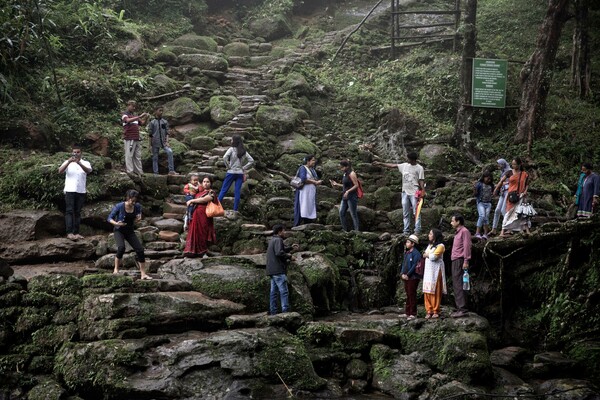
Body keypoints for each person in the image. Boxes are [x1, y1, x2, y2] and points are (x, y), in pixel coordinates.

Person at [373, 152, 425, 235]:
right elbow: (393, 166)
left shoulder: (419, 168)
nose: (407, 160)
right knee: (405, 212)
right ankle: (406, 230)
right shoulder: (404, 165)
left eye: (408, 159)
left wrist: (423, 190)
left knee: (416, 211)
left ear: (413, 160)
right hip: (404, 192)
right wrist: (380, 163)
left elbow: (421, 180)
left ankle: (417, 230)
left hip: (414, 192)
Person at [107, 189, 151, 279]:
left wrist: (139, 217)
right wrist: (116, 223)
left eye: (135, 200)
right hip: (119, 230)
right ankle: (116, 269)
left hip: (130, 231)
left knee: (140, 250)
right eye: (132, 200)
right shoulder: (119, 206)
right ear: (128, 198)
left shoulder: (137, 206)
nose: (133, 202)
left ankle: (143, 274)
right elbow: (109, 218)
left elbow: (139, 215)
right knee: (121, 247)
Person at [58, 144, 92, 241]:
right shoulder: (68, 162)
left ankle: (76, 232)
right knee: (69, 211)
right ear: (71, 153)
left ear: (81, 153)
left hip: (81, 191)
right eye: (74, 152)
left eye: (78, 152)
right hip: (70, 190)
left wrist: (79, 163)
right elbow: (60, 171)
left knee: (77, 212)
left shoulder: (85, 163)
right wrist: (69, 162)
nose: (76, 154)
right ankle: (69, 233)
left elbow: (89, 171)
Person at [266, 224, 298, 315]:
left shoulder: (273, 240)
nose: (285, 232)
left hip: (272, 270)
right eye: (283, 231)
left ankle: (273, 312)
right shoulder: (279, 240)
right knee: (283, 292)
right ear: (279, 232)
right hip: (278, 270)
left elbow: (281, 250)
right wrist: (290, 256)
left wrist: (291, 248)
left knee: (274, 293)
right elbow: (279, 253)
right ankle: (285, 312)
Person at [217, 134, 255, 213]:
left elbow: (224, 157)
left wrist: (228, 166)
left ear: (234, 141)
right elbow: (251, 160)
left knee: (224, 190)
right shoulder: (243, 151)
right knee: (237, 191)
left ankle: (216, 207)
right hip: (240, 173)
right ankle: (235, 210)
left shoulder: (231, 149)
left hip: (231, 172)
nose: (231, 141)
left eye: (232, 139)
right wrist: (243, 168)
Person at [184, 175, 217, 258]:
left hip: (205, 215)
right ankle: (192, 251)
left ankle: (203, 252)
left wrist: (192, 200)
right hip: (196, 214)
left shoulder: (211, 192)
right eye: (204, 182)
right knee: (194, 232)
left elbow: (205, 199)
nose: (205, 183)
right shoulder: (199, 192)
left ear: (211, 183)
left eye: (207, 182)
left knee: (203, 233)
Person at [500, 158, 530, 237]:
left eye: (515, 164)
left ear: (519, 164)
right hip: (512, 196)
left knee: (523, 213)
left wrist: (525, 191)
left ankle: (525, 230)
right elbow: (502, 181)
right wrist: (497, 189)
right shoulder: (509, 172)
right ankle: (502, 231)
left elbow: (527, 184)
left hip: (522, 196)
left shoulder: (524, 174)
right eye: (512, 164)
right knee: (509, 213)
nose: (513, 166)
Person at [450, 214, 471, 318]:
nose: (451, 223)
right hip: (455, 260)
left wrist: (466, 260)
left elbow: (467, 246)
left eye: (453, 221)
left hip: (460, 260)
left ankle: (463, 309)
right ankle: (460, 307)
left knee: (459, 283)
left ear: (458, 222)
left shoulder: (464, 231)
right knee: (456, 284)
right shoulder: (457, 232)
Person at [422, 228, 446, 319]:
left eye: (430, 234)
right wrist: (427, 255)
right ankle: (429, 310)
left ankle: (436, 310)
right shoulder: (430, 245)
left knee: (436, 290)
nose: (429, 235)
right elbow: (425, 254)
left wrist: (427, 255)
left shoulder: (441, 246)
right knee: (427, 290)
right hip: (428, 271)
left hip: (436, 271)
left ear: (435, 236)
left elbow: (433, 257)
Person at [293, 154, 323, 226]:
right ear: (308, 161)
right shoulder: (303, 168)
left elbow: (315, 178)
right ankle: (298, 224)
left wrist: (317, 181)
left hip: (310, 192)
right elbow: (303, 179)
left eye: (314, 160)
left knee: (309, 207)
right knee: (303, 206)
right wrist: (314, 182)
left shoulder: (312, 170)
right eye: (312, 160)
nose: (314, 162)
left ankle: (308, 223)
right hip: (304, 191)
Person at [330, 160, 360, 231]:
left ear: (347, 166)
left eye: (342, 167)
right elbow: (345, 185)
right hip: (345, 196)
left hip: (352, 196)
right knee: (341, 212)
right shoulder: (345, 174)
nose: (341, 169)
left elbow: (356, 185)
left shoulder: (352, 173)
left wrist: (348, 191)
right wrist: (336, 184)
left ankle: (357, 231)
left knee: (353, 214)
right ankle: (345, 230)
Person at [148, 106, 178, 175]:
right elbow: (150, 134)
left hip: (163, 142)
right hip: (155, 142)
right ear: (156, 111)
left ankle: (171, 170)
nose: (161, 112)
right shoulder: (152, 123)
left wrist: (167, 141)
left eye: (162, 111)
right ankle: (156, 173)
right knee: (155, 158)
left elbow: (167, 132)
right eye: (159, 110)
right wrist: (149, 145)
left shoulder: (164, 122)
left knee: (170, 152)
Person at [121, 100, 149, 175]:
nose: (134, 108)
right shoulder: (124, 114)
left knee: (137, 155)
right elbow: (127, 120)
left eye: (134, 106)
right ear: (128, 105)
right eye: (132, 106)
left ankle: (139, 171)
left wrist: (146, 118)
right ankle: (130, 171)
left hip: (136, 138)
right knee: (129, 155)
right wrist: (139, 116)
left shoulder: (134, 115)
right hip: (129, 138)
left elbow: (142, 123)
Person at [399, 234, 422, 320]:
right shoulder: (407, 253)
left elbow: (415, 265)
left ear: (413, 244)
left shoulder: (416, 253)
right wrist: (402, 273)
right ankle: (407, 312)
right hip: (406, 277)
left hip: (413, 277)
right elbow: (403, 264)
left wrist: (408, 274)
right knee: (408, 294)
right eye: (407, 242)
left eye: (408, 242)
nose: (406, 243)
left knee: (412, 294)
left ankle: (413, 313)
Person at [490, 159, 512, 236]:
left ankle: (509, 228)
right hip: (503, 192)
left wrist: (500, 185)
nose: (498, 166)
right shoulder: (502, 171)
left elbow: (511, 182)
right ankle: (494, 229)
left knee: (503, 210)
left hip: (508, 192)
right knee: (497, 210)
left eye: (499, 164)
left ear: (503, 164)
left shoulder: (509, 171)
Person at [474, 171, 494, 239]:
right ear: (484, 178)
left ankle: (485, 234)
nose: (489, 180)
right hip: (481, 202)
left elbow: (493, 193)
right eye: (487, 178)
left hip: (488, 203)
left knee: (486, 218)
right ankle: (477, 233)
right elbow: (476, 194)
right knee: (482, 216)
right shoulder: (479, 184)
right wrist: (474, 188)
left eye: (490, 179)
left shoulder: (491, 185)